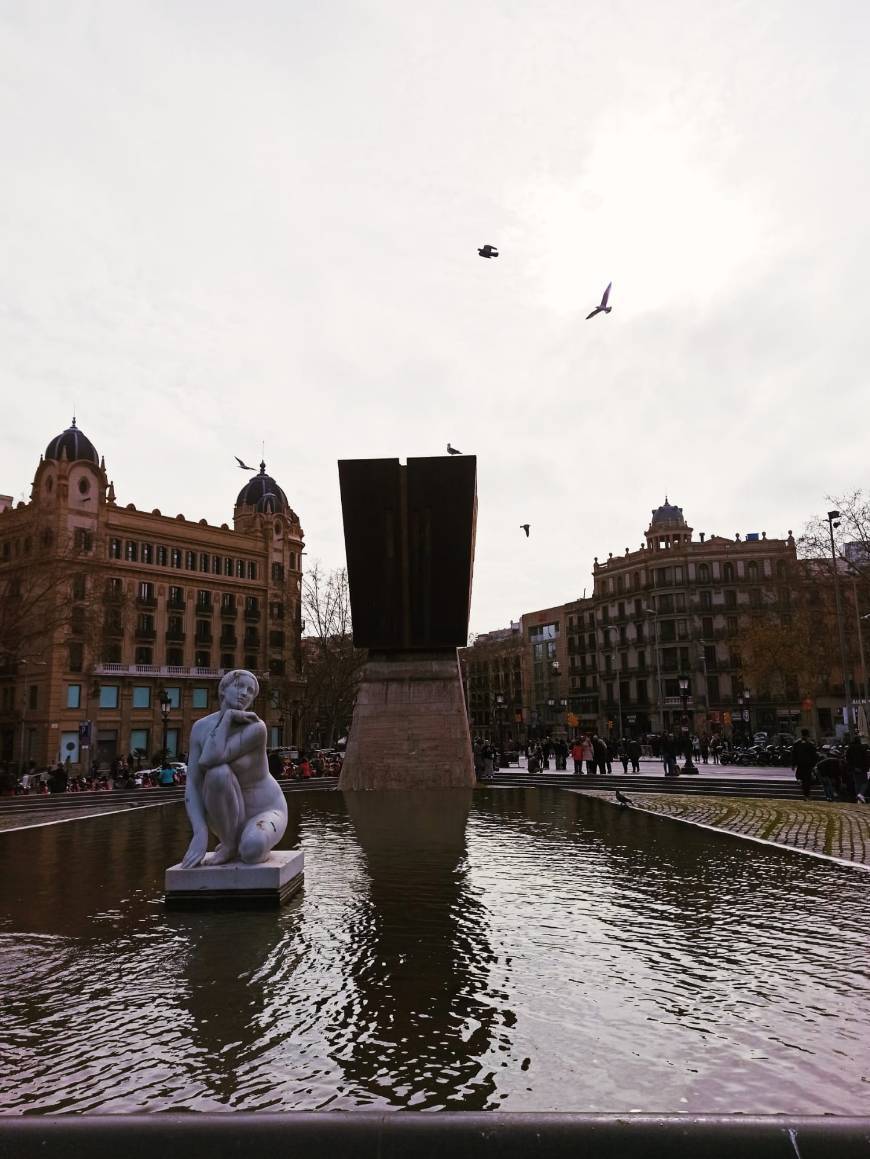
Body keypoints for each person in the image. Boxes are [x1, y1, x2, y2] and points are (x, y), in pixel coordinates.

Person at [181, 669, 288, 868]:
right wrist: (200, 832)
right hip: (226, 814)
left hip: (266, 809)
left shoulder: (256, 727)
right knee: (217, 774)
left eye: (250, 691)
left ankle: (243, 841)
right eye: (240, 686)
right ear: (223, 689)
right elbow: (194, 783)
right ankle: (229, 844)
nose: (245, 693)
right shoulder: (200, 727)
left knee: (252, 850)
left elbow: (210, 757)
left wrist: (228, 717)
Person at [791, 729, 818, 800]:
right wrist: (814, 764)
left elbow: (794, 754)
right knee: (807, 780)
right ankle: (807, 795)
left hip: (800, 764)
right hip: (808, 765)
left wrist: (793, 764)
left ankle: (800, 782)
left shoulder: (796, 743)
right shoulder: (810, 744)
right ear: (808, 735)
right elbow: (814, 755)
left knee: (800, 777)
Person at [845, 733, 870, 803]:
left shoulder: (849, 749)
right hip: (863, 768)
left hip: (854, 769)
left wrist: (853, 768)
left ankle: (858, 798)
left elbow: (847, 760)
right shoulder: (862, 748)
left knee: (857, 783)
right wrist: (866, 767)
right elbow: (866, 759)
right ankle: (860, 794)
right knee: (865, 782)